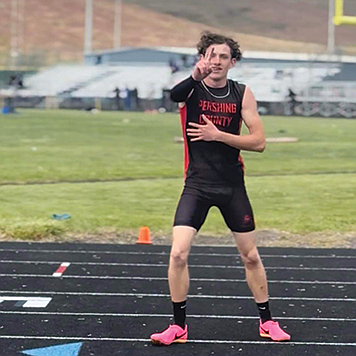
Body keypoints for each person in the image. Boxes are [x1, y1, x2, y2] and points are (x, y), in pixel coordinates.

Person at [150, 32, 291, 346]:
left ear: (232, 62)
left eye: (223, 57)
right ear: (202, 58)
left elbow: (259, 142)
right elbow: (174, 96)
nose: (216, 62)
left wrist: (219, 136)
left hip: (231, 186)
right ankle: (178, 326)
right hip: (197, 185)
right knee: (178, 253)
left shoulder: (242, 94)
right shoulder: (191, 90)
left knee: (251, 256)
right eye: (211, 55)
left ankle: (267, 321)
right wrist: (193, 76)